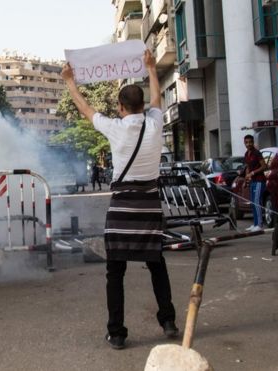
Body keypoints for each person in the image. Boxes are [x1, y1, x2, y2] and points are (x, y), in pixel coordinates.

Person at [61, 49, 178, 350]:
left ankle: (117, 333)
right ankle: (168, 320)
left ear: (122, 107)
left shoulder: (115, 129)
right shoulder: (154, 123)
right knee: (156, 263)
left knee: (116, 271)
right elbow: (157, 100)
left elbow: (85, 109)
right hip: (150, 205)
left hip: (123, 207)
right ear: (140, 106)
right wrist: (151, 69)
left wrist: (71, 83)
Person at [243, 134, 267, 232]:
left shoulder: (257, 153)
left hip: (259, 181)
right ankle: (255, 224)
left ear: (253, 142)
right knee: (253, 203)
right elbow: (248, 167)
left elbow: (264, 166)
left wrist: (253, 173)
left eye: (250, 142)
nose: (248, 144)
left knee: (257, 202)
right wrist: (246, 180)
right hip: (252, 181)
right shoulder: (246, 154)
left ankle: (259, 225)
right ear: (244, 143)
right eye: (246, 142)